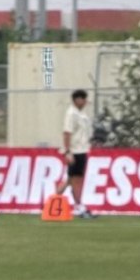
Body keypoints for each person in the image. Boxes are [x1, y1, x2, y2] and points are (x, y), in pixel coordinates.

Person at [56, 89, 95, 218]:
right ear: (76, 100)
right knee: (75, 180)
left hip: (82, 149)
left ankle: (55, 200)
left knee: (73, 179)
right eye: (82, 99)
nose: (84, 102)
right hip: (75, 151)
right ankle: (78, 206)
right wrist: (67, 151)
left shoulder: (81, 114)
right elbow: (67, 133)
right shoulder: (71, 113)